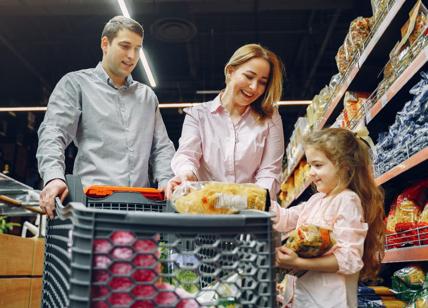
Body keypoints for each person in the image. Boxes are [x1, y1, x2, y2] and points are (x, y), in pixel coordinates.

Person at [37, 16, 175, 218]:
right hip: (91, 208)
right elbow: (53, 133)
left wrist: (167, 180)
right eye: (125, 46)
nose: (132, 55)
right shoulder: (76, 84)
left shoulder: (147, 97)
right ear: (105, 44)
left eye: (137, 48)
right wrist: (53, 177)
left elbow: (161, 147)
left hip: (142, 209)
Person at [272, 128, 385, 308]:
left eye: (317, 165)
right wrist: (254, 198)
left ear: (344, 166)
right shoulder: (316, 200)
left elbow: (349, 259)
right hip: (304, 298)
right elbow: (284, 218)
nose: (310, 173)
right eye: (309, 165)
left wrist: (297, 262)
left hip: (330, 301)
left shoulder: (347, 200)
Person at [166, 43, 284, 201]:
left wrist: (253, 201)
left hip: (251, 213)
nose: (254, 87)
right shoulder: (198, 115)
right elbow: (187, 155)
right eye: (249, 76)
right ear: (230, 71)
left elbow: (270, 171)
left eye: (262, 82)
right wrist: (186, 175)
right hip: (206, 208)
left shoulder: (270, 118)